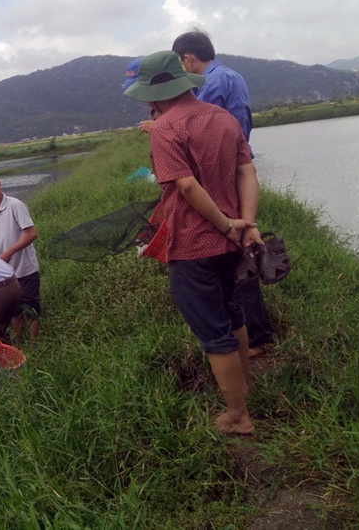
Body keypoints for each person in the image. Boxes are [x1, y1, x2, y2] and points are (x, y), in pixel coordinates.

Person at [123, 50, 264, 435]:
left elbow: (185, 186)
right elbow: (246, 170)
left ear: (153, 95)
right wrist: (245, 223)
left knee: (213, 332)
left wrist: (224, 225)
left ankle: (238, 416)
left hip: (194, 246)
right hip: (229, 243)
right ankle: (244, 387)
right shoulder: (223, 118)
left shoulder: (165, 129)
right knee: (233, 314)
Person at [171, 29, 274, 357]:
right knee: (239, 243)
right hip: (238, 165)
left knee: (231, 247)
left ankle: (253, 336)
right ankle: (253, 332)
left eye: (179, 64)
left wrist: (163, 126)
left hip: (221, 173)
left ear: (188, 58)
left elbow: (198, 131)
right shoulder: (233, 75)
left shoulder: (209, 84)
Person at [0, 171, 41, 340]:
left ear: (0, 184)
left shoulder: (14, 205)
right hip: (5, 274)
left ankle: (35, 346)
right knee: (14, 311)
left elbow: (32, 233)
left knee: (31, 309)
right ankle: (19, 343)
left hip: (26, 269)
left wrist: (10, 251)